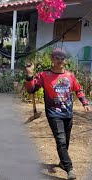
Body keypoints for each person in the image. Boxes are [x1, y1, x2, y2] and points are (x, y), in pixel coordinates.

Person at [25, 48, 90, 180]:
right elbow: (31, 89)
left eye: (62, 58)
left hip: (68, 113)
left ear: (65, 61)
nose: (60, 60)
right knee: (60, 141)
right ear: (52, 59)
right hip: (54, 113)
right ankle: (69, 168)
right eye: (57, 57)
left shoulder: (70, 76)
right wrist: (30, 75)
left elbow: (78, 89)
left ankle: (62, 162)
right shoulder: (44, 75)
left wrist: (85, 103)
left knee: (65, 141)